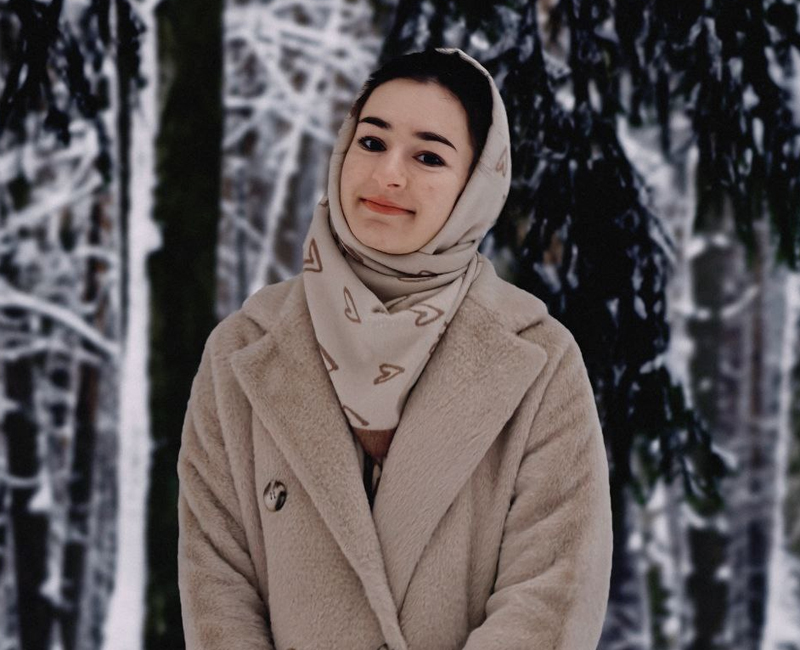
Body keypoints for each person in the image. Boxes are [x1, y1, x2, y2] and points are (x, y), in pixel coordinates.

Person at [177, 47, 613, 650]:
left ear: (476, 185)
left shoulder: (539, 360)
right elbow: (217, 588)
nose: (388, 174)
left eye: (428, 156)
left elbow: (552, 594)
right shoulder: (244, 349)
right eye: (372, 142)